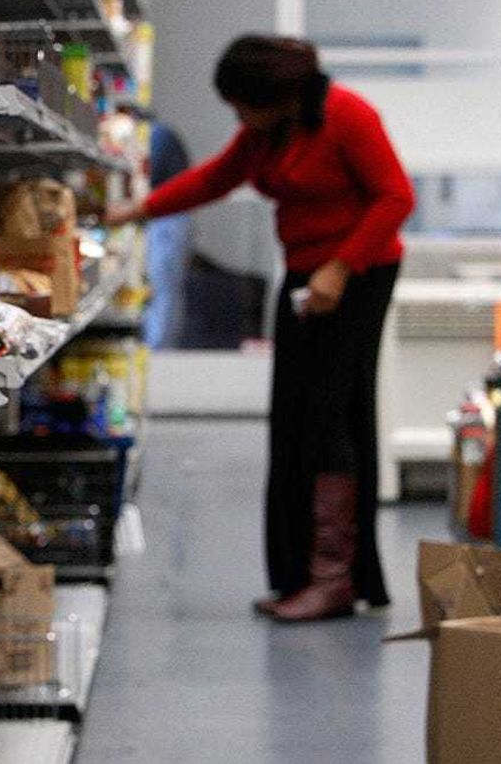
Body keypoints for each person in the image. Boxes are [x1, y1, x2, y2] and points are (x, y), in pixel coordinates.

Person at [106, 35, 415, 622]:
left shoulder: (349, 117)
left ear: (278, 95)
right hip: (304, 275)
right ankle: (300, 575)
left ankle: (335, 580)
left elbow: (395, 198)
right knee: (292, 421)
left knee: (331, 418)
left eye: (242, 104)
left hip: (359, 276)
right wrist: (135, 212)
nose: (237, 117)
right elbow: (214, 179)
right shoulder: (268, 132)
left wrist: (340, 267)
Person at [143, 118, 192, 348]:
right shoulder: (164, 133)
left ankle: (158, 347)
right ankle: (162, 345)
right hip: (170, 216)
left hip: (166, 218)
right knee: (167, 287)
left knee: (161, 284)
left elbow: (150, 181)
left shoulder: (157, 135)